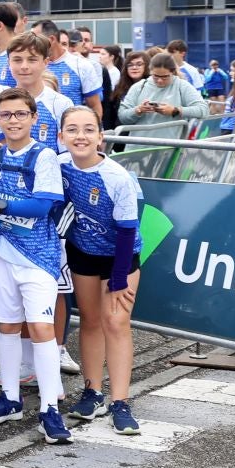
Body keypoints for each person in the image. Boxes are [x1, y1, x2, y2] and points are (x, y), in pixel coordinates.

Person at [0, 88, 73, 444]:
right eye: (6, 115)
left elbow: (43, 205)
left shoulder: (44, 156)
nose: (13, 121)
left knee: (42, 329)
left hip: (37, 257)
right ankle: (11, 398)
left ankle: (49, 408)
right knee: (7, 326)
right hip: (1, 251)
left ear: (34, 118)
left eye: (19, 114)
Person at [58, 106, 144, 437]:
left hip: (119, 257)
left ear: (100, 137)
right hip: (82, 253)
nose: (81, 136)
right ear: (62, 135)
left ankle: (120, 401)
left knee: (116, 322)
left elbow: (126, 230)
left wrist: (120, 278)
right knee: (91, 322)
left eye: (88, 129)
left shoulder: (116, 177)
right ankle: (92, 392)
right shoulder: (59, 164)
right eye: (73, 129)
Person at [4, 31, 80, 148]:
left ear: (45, 62)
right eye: (17, 60)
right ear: (9, 63)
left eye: (32, 60)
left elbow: (67, 154)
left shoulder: (61, 103)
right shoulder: (0, 101)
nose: (24, 66)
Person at [117, 53, 207, 125]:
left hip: (170, 145)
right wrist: (138, 110)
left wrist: (175, 110)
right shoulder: (139, 87)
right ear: (150, 71)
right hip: (139, 145)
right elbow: (122, 116)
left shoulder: (182, 86)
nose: (160, 80)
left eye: (165, 77)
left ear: (172, 72)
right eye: (155, 76)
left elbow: (203, 110)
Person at [106, 48, 148, 132]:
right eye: (130, 65)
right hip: (121, 133)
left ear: (146, 66)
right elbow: (110, 115)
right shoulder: (119, 88)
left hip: (143, 132)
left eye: (139, 64)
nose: (134, 67)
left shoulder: (151, 86)